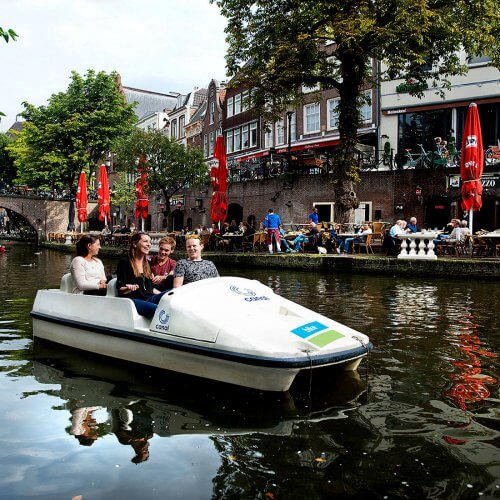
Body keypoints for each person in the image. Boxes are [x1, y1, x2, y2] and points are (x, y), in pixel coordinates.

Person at [116, 232, 167, 318]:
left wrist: (164, 296)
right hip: (134, 301)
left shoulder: (147, 263)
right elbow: (120, 288)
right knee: (158, 310)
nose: (149, 245)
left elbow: (151, 288)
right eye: (145, 241)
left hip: (148, 297)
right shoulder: (125, 262)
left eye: (150, 242)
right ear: (135, 244)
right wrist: (129, 288)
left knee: (170, 295)